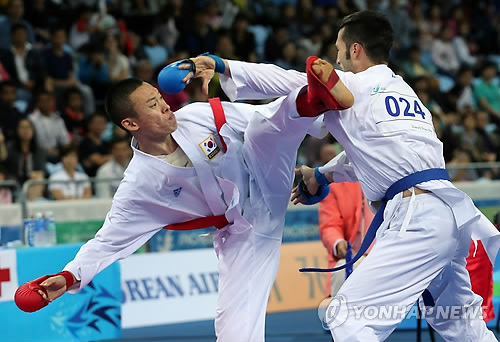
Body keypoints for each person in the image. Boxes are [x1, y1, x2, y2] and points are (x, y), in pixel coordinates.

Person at [17, 54, 352, 341]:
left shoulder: (194, 115)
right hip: (246, 229)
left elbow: (263, 118)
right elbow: (106, 241)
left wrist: (318, 138)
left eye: (160, 98)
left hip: (265, 172)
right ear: (131, 123)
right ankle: (312, 101)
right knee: (233, 325)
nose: (165, 105)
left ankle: (316, 98)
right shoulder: (139, 186)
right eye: (152, 105)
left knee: (264, 127)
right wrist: (69, 275)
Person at [293, 10, 499, 342]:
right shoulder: (404, 94)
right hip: (449, 213)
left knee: (347, 316)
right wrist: (322, 174)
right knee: (461, 324)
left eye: (339, 50)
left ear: (355, 49)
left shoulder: (354, 84)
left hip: (416, 216)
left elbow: (284, 82)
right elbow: (373, 154)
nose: (337, 59)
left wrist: (228, 69)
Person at [319, 181, 374, 297]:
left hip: (384, 256)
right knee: (341, 270)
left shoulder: (389, 175)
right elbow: (329, 226)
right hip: (350, 259)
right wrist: (338, 243)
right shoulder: (334, 183)